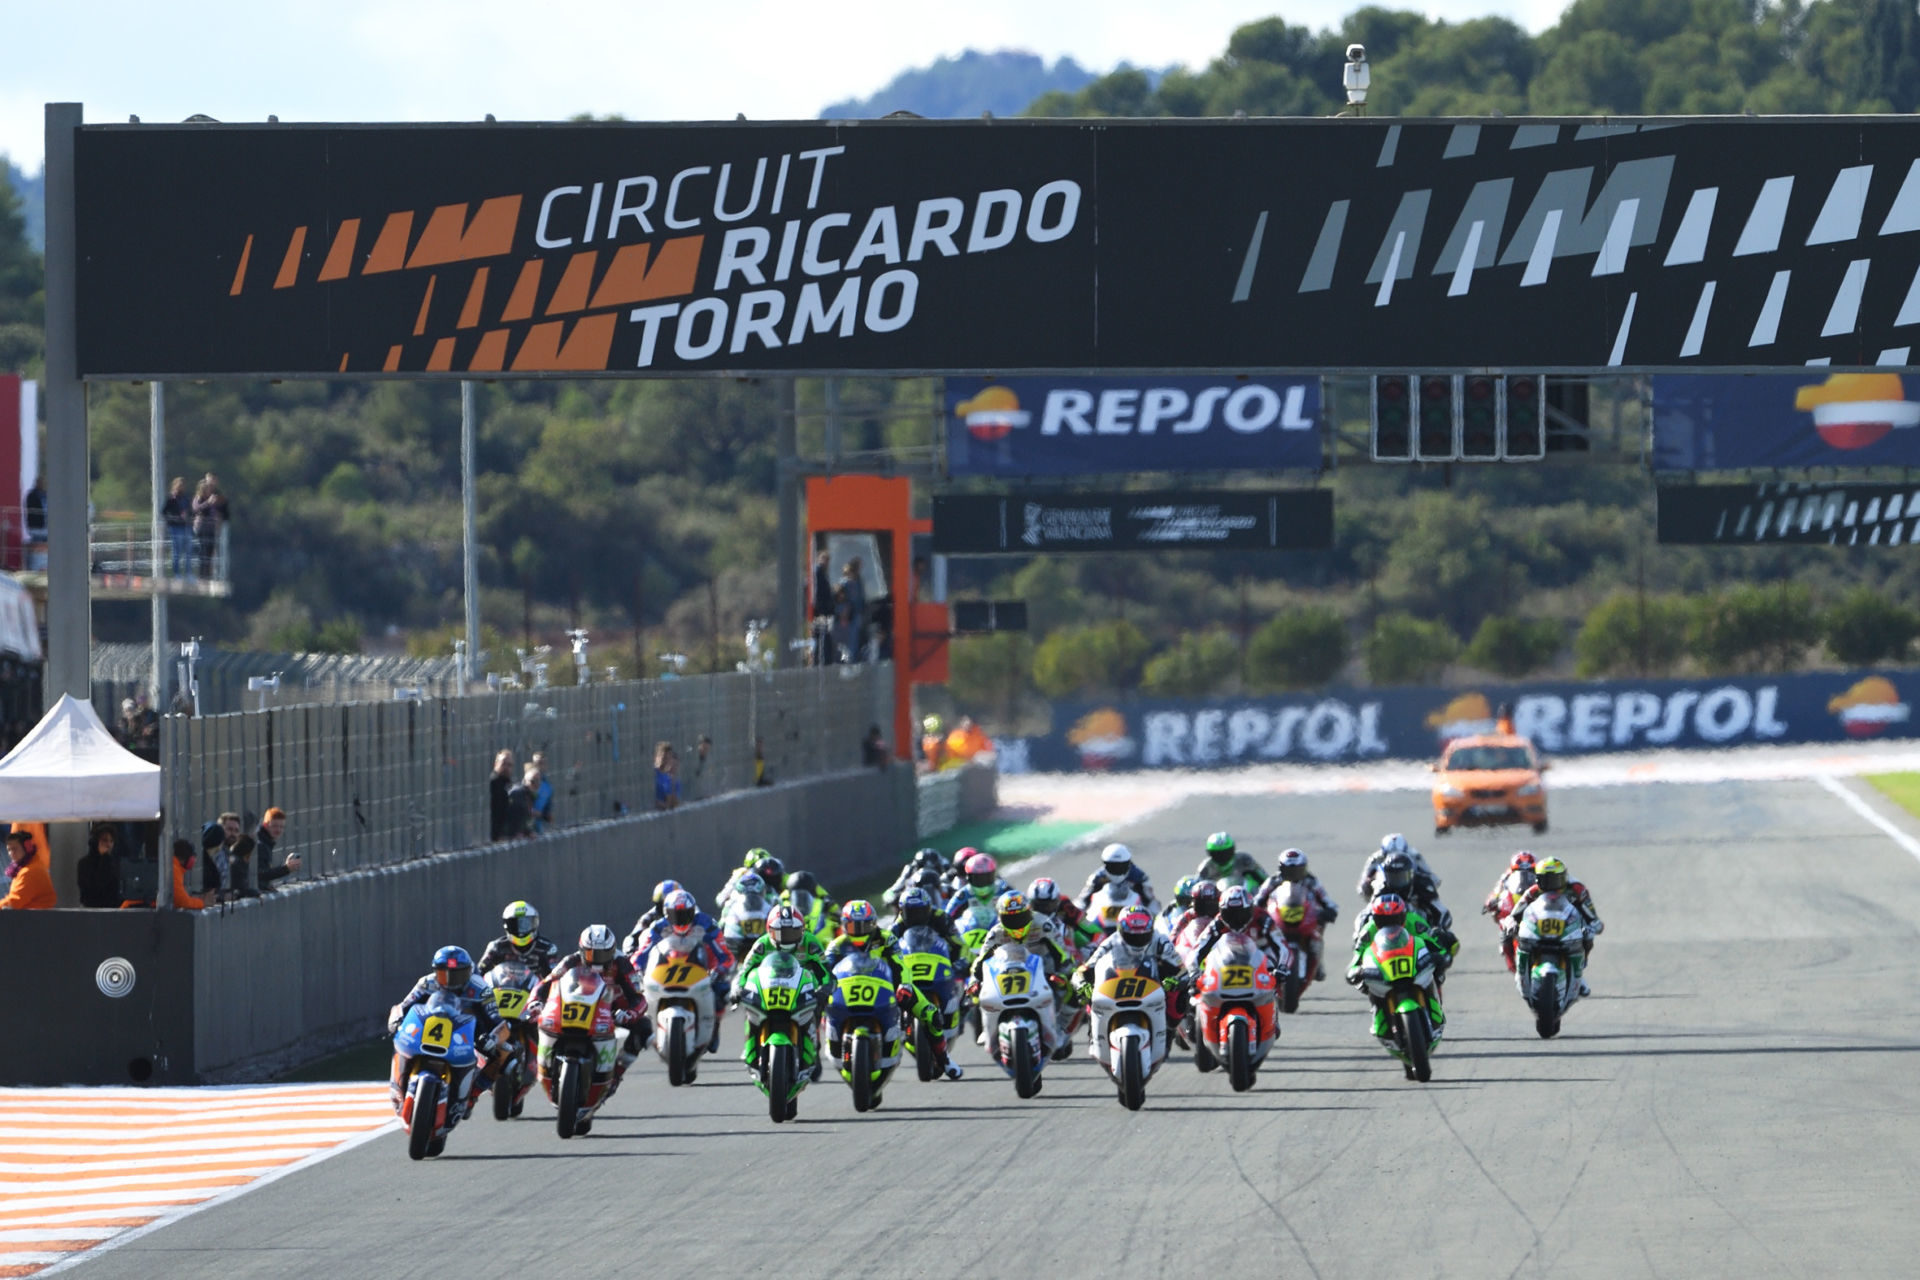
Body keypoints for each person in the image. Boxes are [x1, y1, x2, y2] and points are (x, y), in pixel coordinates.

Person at [528, 926, 649, 1103]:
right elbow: (546, 983)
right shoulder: (571, 961)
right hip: (578, 1007)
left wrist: (630, 1013)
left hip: (612, 1010)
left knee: (643, 1028)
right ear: (582, 950)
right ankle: (542, 1065)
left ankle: (616, 1073)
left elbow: (639, 997)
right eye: (592, 955)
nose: (598, 961)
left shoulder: (622, 963)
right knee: (535, 1022)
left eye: (603, 954)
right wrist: (536, 1001)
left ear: (612, 951)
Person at [387, 945, 505, 1121]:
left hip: (465, 1033)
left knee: (504, 1052)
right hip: (430, 1028)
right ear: (436, 971)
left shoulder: (481, 989)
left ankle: (472, 1093)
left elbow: (496, 1021)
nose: (451, 981)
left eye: (457, 975)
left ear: (469, 972)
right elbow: (404, 1006)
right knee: (401, 1042)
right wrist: (396, 1020)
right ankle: (399, 1086)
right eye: (444, 974)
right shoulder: (427, 983)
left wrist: (492, 1039)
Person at [967, 891, 1078, 1061]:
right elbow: (980, 961)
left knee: (1073, 989)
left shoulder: (1043, 924)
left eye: (1020, 917)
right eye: (1010, 919)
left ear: (1029, 913)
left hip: (1042, 969)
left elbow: (1061, 953)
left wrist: (1064, 973)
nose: (1016, 923)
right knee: (976, 992)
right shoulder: (996, 933)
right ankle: (986, 1029)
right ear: (1000, 918)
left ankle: (1061, 1029)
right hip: (1007, 971)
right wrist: (975, 981)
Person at [730, 903, 831, 1079]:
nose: (786, 939)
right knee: (750, 1008)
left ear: (802, 930)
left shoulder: (810, 943)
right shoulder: (761, 944)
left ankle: (813, 1048)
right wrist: (737, 988)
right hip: (770, 988)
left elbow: (826, 971)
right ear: (770, 931)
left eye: (792, 933)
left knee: (816, 1009)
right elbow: (745, 971)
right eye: (780, 933)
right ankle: (750, 1048)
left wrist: (825, 989)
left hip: (801, 988)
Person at [1346, 893, 1448, 1040]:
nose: (1390, 925)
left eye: (1394, 919)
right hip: (1384, 970)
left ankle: (1434, 1010)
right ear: (1375, 919)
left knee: (1436, 973)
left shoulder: (1414, 922)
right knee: (1364, 984)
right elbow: (1357, 955)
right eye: (1383, 920)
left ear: (1403, 916)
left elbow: (1432, 942)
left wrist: (1440, 954)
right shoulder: (1368, 932)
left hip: (1412, 964)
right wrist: (1355, 971)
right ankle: (1379, 1015)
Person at [1076, 906, 1186, 1041]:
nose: (1137, 940)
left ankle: (1169, 1028)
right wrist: (1082, 983)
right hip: (1118, 981)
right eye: (1131, 936)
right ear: (1120, 931)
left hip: (1155, 983)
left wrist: (1176, 980)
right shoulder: (1111, 941)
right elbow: (1087, 967)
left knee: (1180, 993)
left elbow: (1181, 967)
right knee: (1090, 995)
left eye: (1142, 935)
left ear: (1151, 930)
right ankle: (1095, 1032)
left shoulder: (1160, 940)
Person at [1502, 857, 1602, 996]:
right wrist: (1511, 922)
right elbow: (1515, 913)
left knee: (1588, 936)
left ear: (1564, 877)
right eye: (1545, 880)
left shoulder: (1576, 889)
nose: (1550, 886)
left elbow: (1591, 913)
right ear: (1537, 879)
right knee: (1517, 936)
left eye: (1555, 880)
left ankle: (1579, 973)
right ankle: (1522, 973)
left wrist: (1593, 925)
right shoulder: (1533, 891)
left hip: (1570, 925)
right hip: (1542, 924)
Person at [1252, 848, 1341, 980]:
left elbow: (1326, 900)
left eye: (1296, 870)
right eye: (1289, 870)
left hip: (1305, 917)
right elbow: (1258, 899)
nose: (1293, 874)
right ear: (1281, 869)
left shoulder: (1311, 881)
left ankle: (1318, 962)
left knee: (1319, 931)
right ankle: (1257, 965)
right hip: (1278, 917)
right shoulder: (1273, 881)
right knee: (1260, 937)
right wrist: (1257, 911)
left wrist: (1329, 910)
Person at [1357, 850, 1452, 938]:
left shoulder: (1423, 885)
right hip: (1389, 937)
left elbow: (1442, 912)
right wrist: (1360, 934)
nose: (1398, 882)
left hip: (1423, 933)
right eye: (1393, 877)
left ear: (1411, 874)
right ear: (1387, 876)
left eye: (1402, 877)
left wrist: (1439, 932)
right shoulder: (1382, 888)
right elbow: (1368, 912)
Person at [1482, 851, 1538, 973]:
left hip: (1534, 905)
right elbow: (1497, 890)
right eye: (1519, 871)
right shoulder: (1507, 876)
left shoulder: (1541, 874)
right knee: (1504, 927)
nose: (1525, 876)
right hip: (1514, 903)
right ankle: (1510, 960)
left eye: (1530, 871)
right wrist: (1490, 901)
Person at [478, 900, 563, 978]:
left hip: (536, 993)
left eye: (526, 924)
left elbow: (556, 977)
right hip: (501, 992)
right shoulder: (497, 947)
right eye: (515, 925)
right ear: (507, 925)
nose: (521, 930)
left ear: (535, 923)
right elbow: (479, 972)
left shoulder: (547, 948)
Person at [1075, 842, 1159, 915]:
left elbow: (1151, 900)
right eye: (1112, 866)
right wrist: (1078, 912)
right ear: (1105, 865)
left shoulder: (1139, 876)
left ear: (1129, 863)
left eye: (1121, 866)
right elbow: (1082, 899)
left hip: (1133, 913)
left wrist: (1153, 915)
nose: (1117, 869)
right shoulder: (1097, 877)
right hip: (1103, 911)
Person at [1028, 876, 1101, 954]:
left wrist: (1092, 947)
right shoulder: (1025, 913)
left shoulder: (1066, 906)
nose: (1044, 909)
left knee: (1073, 932)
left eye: (1048, 904)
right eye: (1038, 905)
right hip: (1040, 953)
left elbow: (1096, 932)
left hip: (1070, 949)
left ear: (1057, 900)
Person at [943, 851, 1012, 922]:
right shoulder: (964, 894)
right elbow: (947, 916)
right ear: (968, 878)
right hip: (970, 930)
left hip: (999, 930)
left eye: (985, 878)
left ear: (993, 876)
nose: (982, 882)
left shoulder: (1003, 890)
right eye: (977, 878)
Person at [621, 879, 685, 954]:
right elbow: (632, 936)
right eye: (660, 903)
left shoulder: (690, 913)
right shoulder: (650, 917)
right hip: (659, 958)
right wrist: (630, 949)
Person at [0, 828, 53, 910]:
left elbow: (15, 901)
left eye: (15, 849)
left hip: (35, 919)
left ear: (27, 848)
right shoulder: (27, 868)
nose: (11, 853)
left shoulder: (30, 871)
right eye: (9, 850)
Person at [1195, 831, 1266, 892]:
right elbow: (1197, 890)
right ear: (1210, 853)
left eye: (1226, 852)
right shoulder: (1205, 868)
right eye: (1217, 854)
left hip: (1248, 899)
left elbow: (1265, 879)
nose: (1222, 857)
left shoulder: (1244, 860)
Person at [251, 807, 301, 890]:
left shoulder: (265, 842)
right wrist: (286, 869)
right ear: (265, 825)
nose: (278, 830)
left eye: (281, 827)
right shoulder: (260, 845)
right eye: (274, 826)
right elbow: (260, 874)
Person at [882, 846, 948, 909]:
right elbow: (889, 892)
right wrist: (893, 898)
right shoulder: (909, 877)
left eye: (932, 869)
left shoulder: (946, 880)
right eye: (922, 868)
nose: (927, 874)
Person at [191, 473, 230, 579]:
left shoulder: (216, 496)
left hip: (212, 527)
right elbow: (196, 509)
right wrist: (208, 502)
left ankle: (207, 575)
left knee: (210, 551)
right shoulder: (199, 498)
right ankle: (202, 575)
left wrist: (221, 517)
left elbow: (224, 509)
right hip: (202, 527)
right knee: (203, 550)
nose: (210, 490)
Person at [77, 824, 123, 908]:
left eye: (111, 841)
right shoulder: (84, 864)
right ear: (95, 842)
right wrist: (104, 858)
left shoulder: (115, 863)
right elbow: (96, 887)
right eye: (104, 840)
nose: (108, 845)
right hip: (91, 910)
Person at [162, 476, 192, 576]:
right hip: (175, 527)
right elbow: (164, 512)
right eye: (179, 485)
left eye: (182, 485)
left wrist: (187, 515)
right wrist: (173, 519)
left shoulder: (186, 498)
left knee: (188, 551)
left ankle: (188, 573)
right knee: (177, 551)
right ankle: (177, 573)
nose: (181, 487)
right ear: (175, 486)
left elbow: (191, 511)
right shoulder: (171, 499)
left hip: (185, 527)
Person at [810, 550, 835, 665]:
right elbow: (819, 593)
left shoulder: (822, 573)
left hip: (823, 612)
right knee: (821, 639)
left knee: (823, 639)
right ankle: (820, 662)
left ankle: (822, 661)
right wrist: (820, 610)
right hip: (821, 613)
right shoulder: (818, 572)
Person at [488, 749, 517, 841]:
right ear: (496, 764)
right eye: (503, 763)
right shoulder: (493, 782)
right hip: (493, 834)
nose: (506, 767)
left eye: (509, 765)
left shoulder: (508, 784)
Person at [22, 475, 46, 570]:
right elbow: (31, 510)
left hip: (44, 527)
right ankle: (34, 567)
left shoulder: (45, 494)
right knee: (36, 546)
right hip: (35, 527)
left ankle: (42, 566)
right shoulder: (32, 495)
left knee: (44, 547)